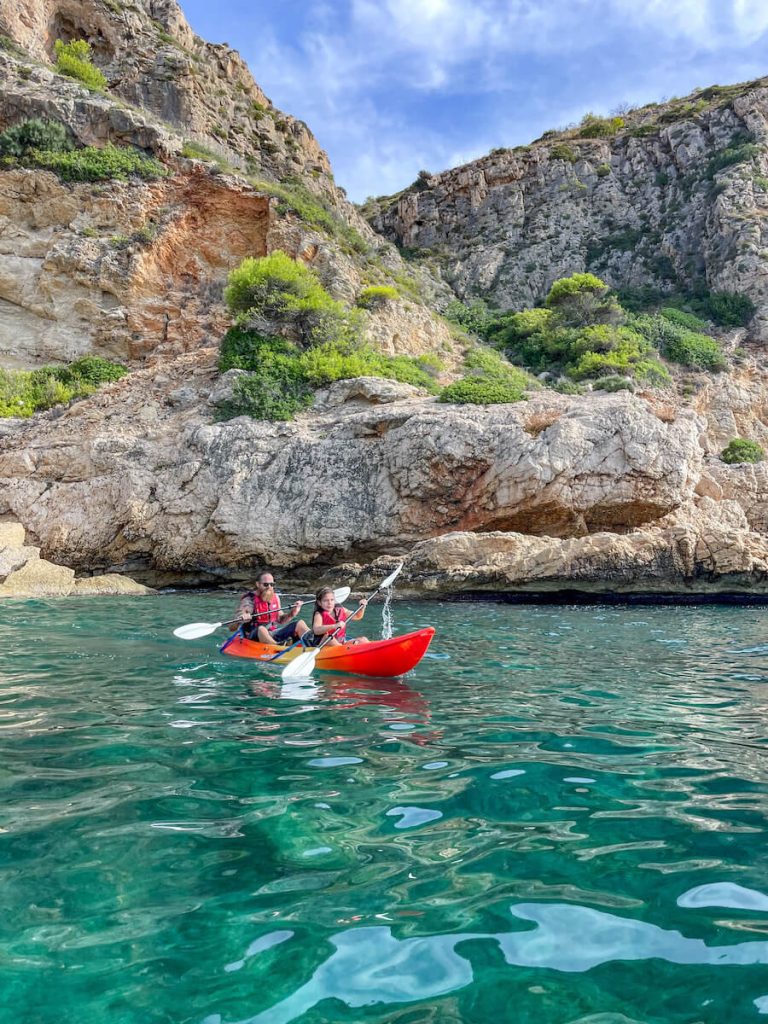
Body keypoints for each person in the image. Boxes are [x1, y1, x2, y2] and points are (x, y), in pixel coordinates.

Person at [236, 571, 311, 646]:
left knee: (300, 623)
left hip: (272, 633)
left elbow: (280, 620)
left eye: (272, 584)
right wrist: (243, 616)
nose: (269, 587)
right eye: (265, 584)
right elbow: (242, 613)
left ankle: (313, 641)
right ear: (258, 584)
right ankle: (278, 647)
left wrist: (293, 613)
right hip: (255, 635)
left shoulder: (275, 597)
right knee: (261, 629)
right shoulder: (249, 599)